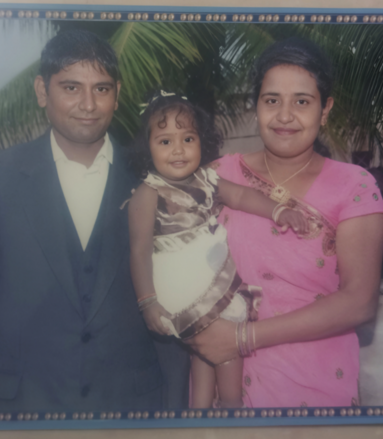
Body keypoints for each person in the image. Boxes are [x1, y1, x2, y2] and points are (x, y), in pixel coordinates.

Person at [0, 30, 188, 413]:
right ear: (42, 91)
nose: (88, 104)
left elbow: (179, 301)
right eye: (71, 87)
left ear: (117, 94)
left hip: (132, 412)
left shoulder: (155, 177)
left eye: (101, 89)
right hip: (21, 414)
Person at [186, 38, 383, 407]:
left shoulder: (354, 187)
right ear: (256, 106)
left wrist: (243, 338)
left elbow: (360, 301)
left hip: (316, 392)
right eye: (271, 100)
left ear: (325, 110)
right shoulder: (218, 176)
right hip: (221, 385)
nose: (284, 116)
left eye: (302, 102)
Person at [127, 92, 307, 408]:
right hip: (180, 287)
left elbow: (242, 196)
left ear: (202, 141)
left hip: (208, 277)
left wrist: (278, 210)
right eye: (165, 141)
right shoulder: (148, 193)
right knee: (227, 347)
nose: (178, 149)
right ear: (147, 147)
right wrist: (147, 303)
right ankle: (233, 409)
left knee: (205, 352)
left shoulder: (207, 178)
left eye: (188, 138)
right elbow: (139, 251)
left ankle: (200, 415)